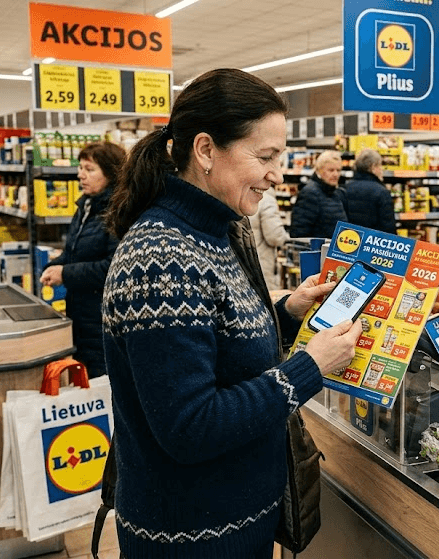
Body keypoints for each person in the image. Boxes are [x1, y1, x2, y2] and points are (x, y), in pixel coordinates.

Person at [102, 68, 362, 557]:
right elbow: (190, 427)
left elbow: (216, 345)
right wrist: (309, 369)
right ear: (204, 150)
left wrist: (288, 311)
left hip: (237, 522)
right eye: (264, 157)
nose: (276, 174)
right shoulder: (161, 260)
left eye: (278, 157)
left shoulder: (215, 232)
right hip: (188, 536)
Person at [40, 141, 125, 378]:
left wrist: (65, 274)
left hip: (104, 319)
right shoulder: (86, 206)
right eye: (80, 167)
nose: (80, 174)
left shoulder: (117, 211)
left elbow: (114, 268)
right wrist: (55, 265)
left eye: (89, 169)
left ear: (110, 173)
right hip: (81, 313)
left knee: (103, 383)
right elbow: (75, 252)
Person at [290, 150, 348, 239]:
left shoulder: (337, 193)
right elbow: (299, 233)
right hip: (319, 251)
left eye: (338, 170)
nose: (336, 174)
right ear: (319, 170)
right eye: (331, 170)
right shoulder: (309, 193)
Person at [339, 148, 396, 234]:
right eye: (380, 166)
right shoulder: (382, 192)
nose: (382, 170)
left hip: (350, 241)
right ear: (373, 167)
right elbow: (388, 227)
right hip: (373, 243)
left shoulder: (344, 189)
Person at [248, 187, 290, 291]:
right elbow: (275, 237)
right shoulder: (266, 200)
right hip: (262, 262)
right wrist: (287, 239)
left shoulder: (242, 196)